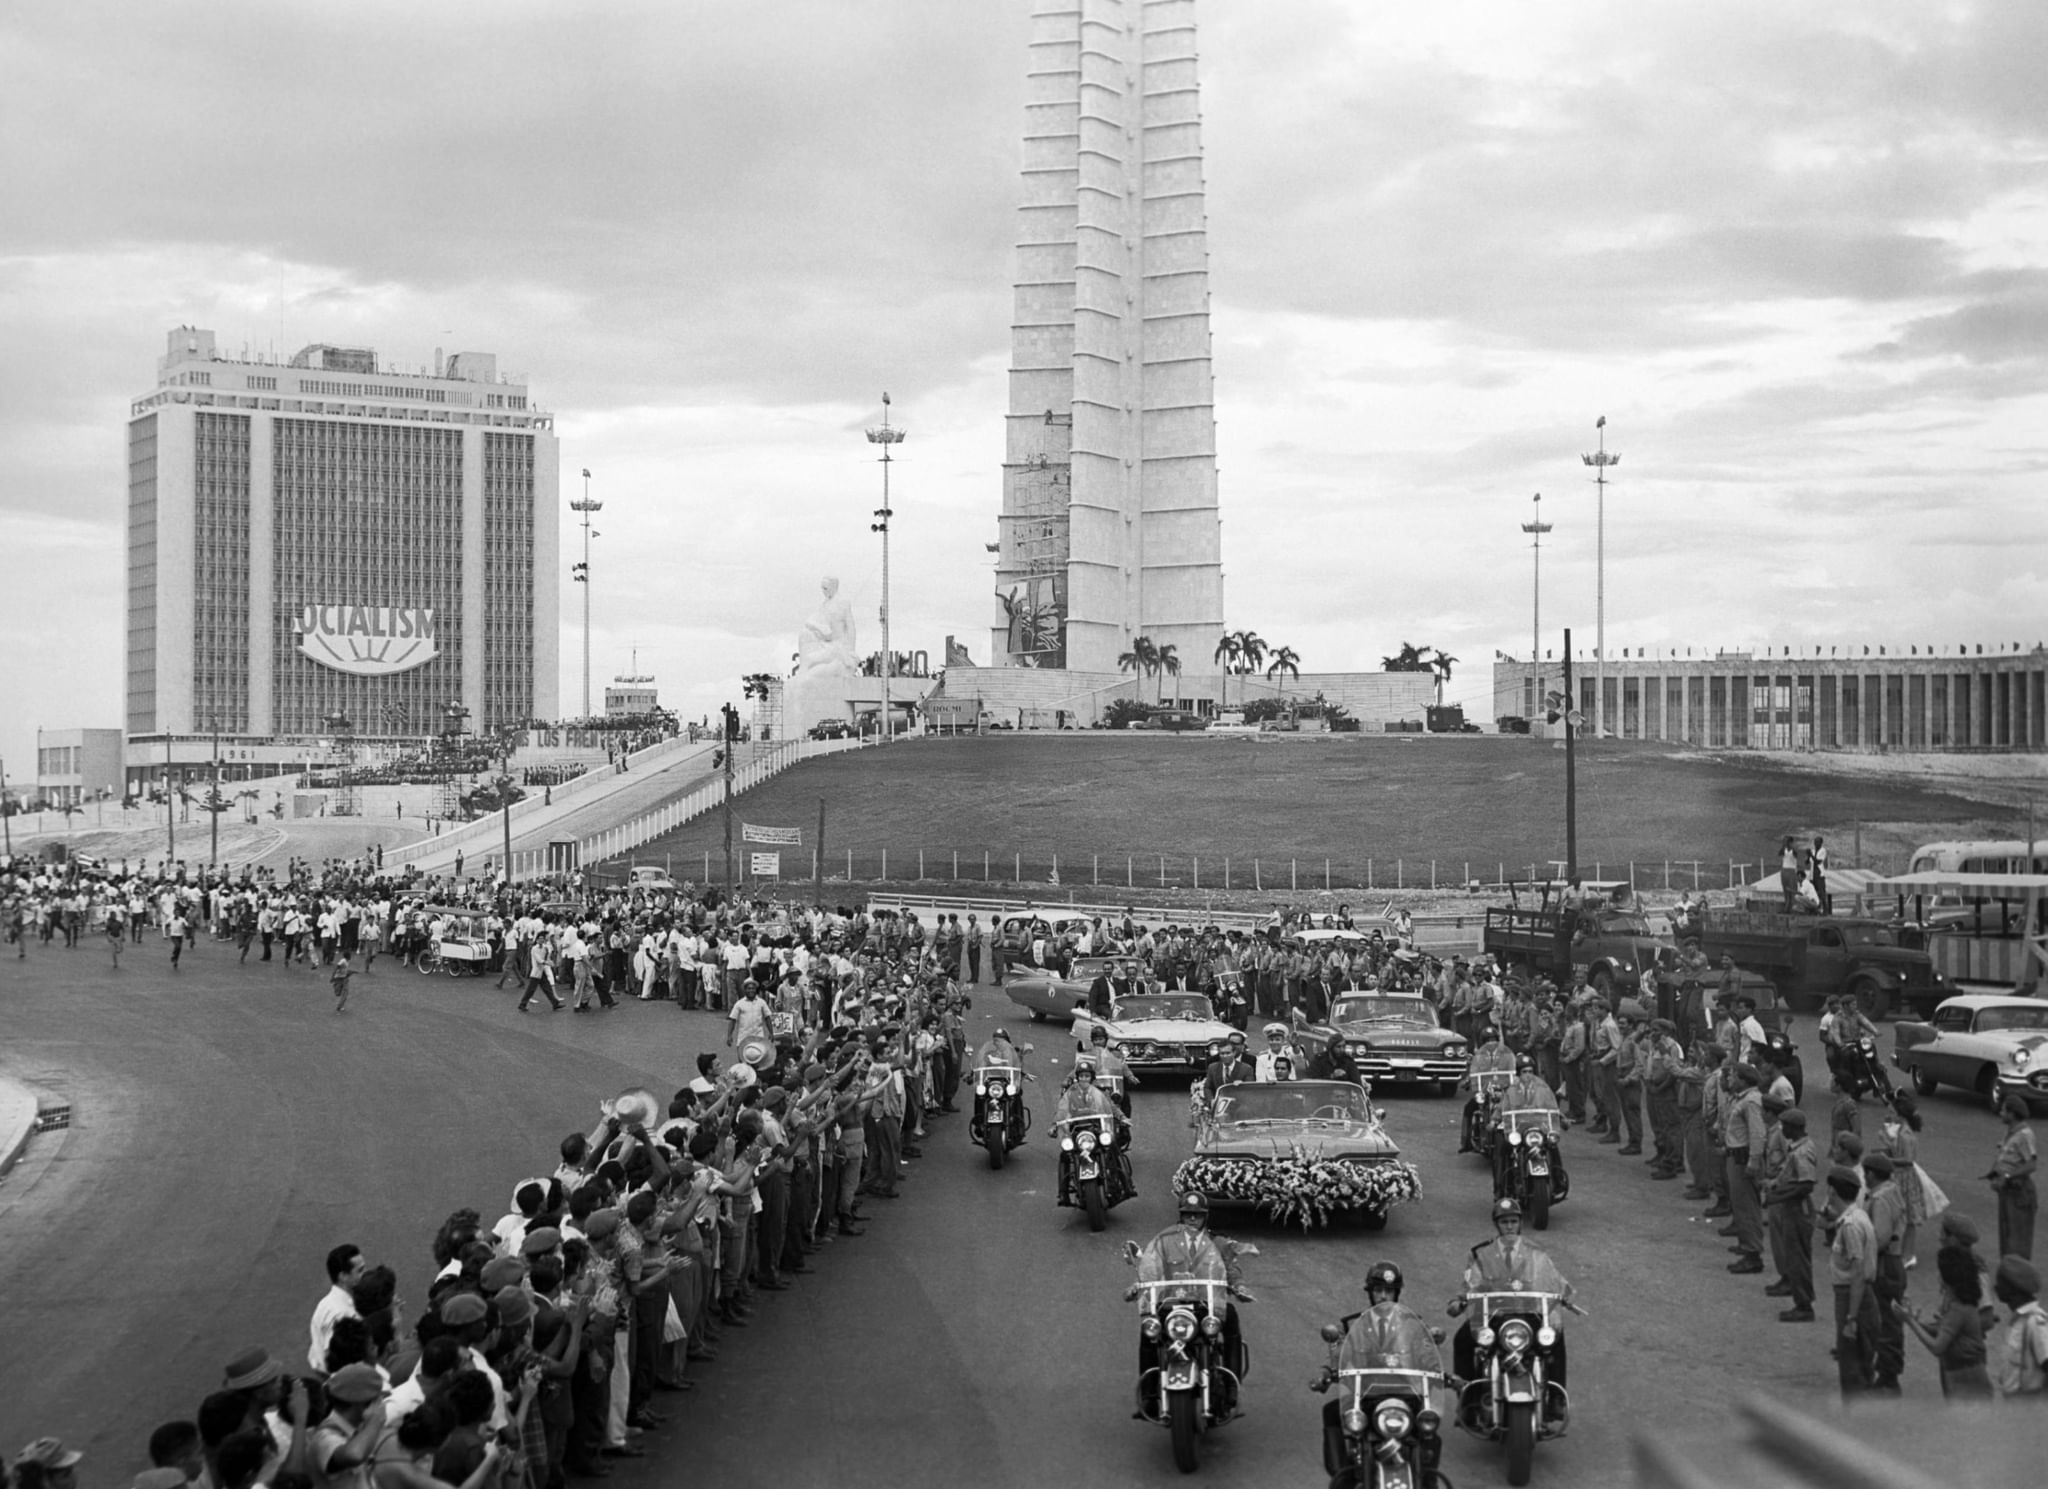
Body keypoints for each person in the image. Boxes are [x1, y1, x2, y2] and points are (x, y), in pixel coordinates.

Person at [1123, 1194, 1255, 1418]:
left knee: (1231, 1316)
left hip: (1206, 1305)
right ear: (1181, 1216)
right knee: (1149, 1328)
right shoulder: (1165, 1242)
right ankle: (1149, 1397)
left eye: (1197, 1215)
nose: (1192, 1219)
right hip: (1172, 1304)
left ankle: (1231, 1386)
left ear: (1205, 1217)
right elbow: (1152, 1267)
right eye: (1188, 1215)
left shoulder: (1218, 1242)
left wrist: (1239, 1287)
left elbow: (1231, 1268)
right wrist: (1138, 1286)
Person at [1312, 1262, 1445, 1479]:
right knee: (1332, 1413)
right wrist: (1326, 1373)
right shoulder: (1353, 1325)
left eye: (1389, 1291)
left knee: (1429, 1426)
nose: (1383, 1296)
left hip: (1407, 1395)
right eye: (1378, 1290)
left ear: (1397, 1294)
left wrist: (1443, 1374)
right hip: (1365, 1396)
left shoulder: (1414, 1325)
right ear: (1370, 1293)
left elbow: (1427, 1354)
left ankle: (1428, 1480)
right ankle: (1343, 1476)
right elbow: (1340, 1354)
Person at [1449, 1199, 1577, 1401]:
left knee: (1555, 1337)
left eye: (1513, 1221)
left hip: (1529, 1313)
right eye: (1504, 1222)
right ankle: (1469, 1399)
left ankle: (1557, 1400)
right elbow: (1470, 1281)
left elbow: (1551, 1277)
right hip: (1491, 1315)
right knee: (1462, 1340)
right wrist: (1459, 1300)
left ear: (1520, 1223)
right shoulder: (1480, 1253)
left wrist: (1564, 1294)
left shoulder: (1536, 1251)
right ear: (1496, 1225)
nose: (1509, 1226)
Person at [1896, 1248, 1993, 1398]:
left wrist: (1910, 1321)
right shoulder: (1960, 1304)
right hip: (1964, 1373)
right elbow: (1943, 1331)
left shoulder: (1958, 1309)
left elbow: (1937, 1347)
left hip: (1966, 1377)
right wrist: (1915, 1321)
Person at [1825, 1165, 1882, 1396]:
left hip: (1852, 1296)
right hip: (1858, 1295)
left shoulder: (1850, 1226)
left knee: (1852, 1365)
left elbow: (1858, 1273)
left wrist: (1851, 1317)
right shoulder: (1858, 1216)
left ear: (1832, 1192)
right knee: (1859, 1362)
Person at [1763, 1108, 1819, 1322]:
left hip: (1798, 1208)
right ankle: (1799, 1296)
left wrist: (1777, 1196)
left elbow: (1805, 1185)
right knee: (1794, 1254)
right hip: (1792, 1205)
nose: (1782, 1129)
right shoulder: (1799, 1146)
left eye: (1785, 1125)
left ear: (1794, 1128)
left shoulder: (1801, 1152)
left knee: (1797, 1258)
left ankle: (1804, 1305)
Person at [1991, 1255, 2048, 1397]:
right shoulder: (2018, 1320)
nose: (1996, 1287)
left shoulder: (2035, 1321)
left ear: (2012, 1288)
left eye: (2000, 1283)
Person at [1992, 1095, 2038, 1263]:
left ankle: (2017, 1272)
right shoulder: (2010, 1133)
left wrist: (2007, 1176)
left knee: (2018, 1240)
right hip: (2007, 1191)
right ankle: (2008, 1271)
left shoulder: (2024, 1135)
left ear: (2012, 1113)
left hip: (2019, 1193)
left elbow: (2031, 1164)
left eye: (2004, 1110)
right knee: (2006, 1238)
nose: (2001, 1113)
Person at [1456, 1029, 1516, 1155]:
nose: (1491, 1043)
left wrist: (1513, 1081)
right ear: (1483, 1042)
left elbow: (1514, 1070)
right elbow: (1474, 1071)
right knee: (1469, 1108)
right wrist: (1468, 1081)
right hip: (1486, 1089)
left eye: (1493, 1039)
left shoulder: (1507, 1054)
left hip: (1504, 1088)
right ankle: (1466, 1142)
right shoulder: (1479, 1056)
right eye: (1488, 1040)